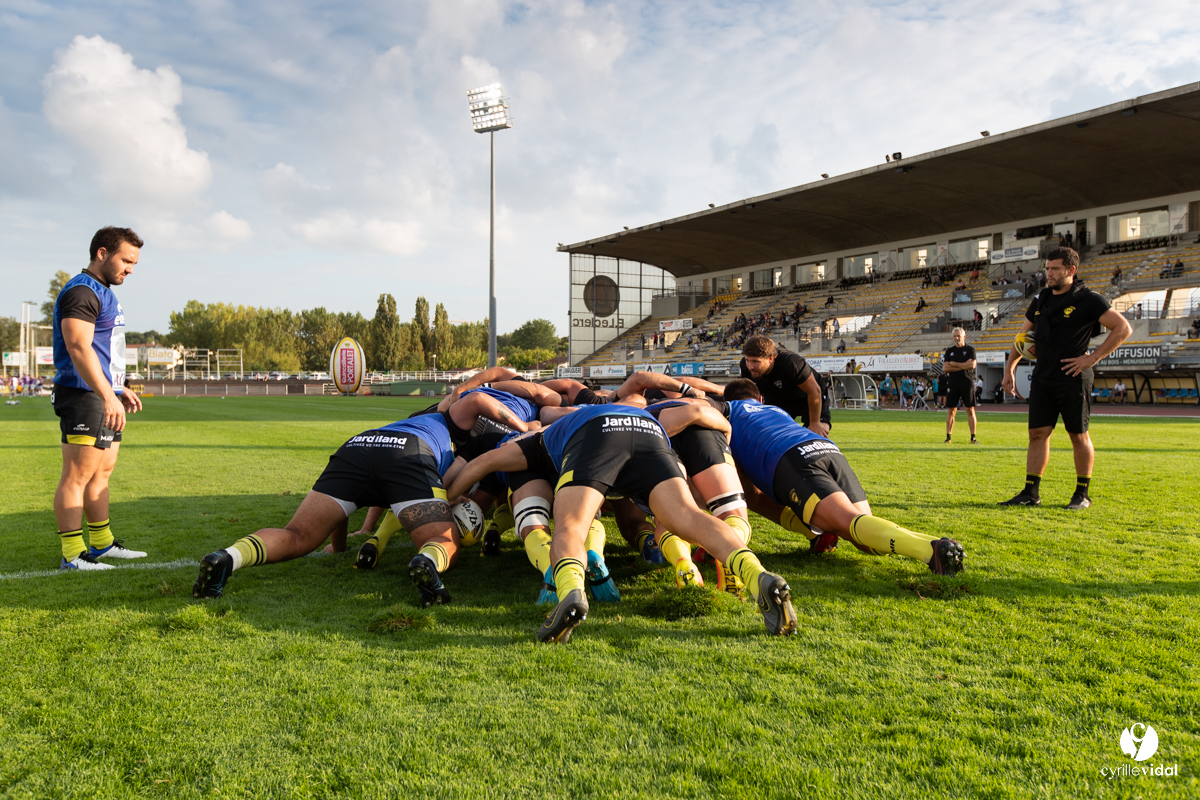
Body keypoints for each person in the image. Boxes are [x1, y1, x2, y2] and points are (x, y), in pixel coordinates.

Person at [442, 403, 799, 641]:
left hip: (594, 439)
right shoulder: (632, 410)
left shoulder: (540, 440)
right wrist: (726, 435)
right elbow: (694, 411)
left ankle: (571, 595)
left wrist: (453, 497)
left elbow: (483, 463)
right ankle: (758, 577)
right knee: (691, 517)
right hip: (650, 433)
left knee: (570, 528)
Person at [194, 413, 468, 608]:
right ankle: (428, 561)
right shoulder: (452, 442)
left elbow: (350, 502)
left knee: (297, 535)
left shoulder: (417, 419)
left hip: (357, 445)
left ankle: (227, 557)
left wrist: (338, 547)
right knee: (443, 540)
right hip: (408, 451)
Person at [720, 379, 963, 574]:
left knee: (847, 523)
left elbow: (750, 495)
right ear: (760, 398)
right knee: (866, 541)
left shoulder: (728, 412)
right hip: (826, 447)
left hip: (790, 457)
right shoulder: (774, 409)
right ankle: (941, 544)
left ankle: (931, 549)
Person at [1000, 247, 1132, 510]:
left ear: (1071, 271)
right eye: (1047, 268)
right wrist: (1009, 369)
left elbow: (1123, 328)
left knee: (1078, 435)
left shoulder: (1089, 299)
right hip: (1042, 378)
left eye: (1054, 269)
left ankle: (1082, 494)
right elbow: (1023, 336)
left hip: (1074, 377)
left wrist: (1091, 358)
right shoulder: (1041, 300)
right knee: (1037, 434)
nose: (1048, 273)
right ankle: (1030, 493)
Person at [51, 226, 148, 570]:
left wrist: (118, 387)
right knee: (77, 475)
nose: (130, 269)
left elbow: (101, 349)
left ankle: (103, 545)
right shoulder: (82, 291)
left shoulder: (104, 292)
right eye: (126, 260)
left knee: (101, 474)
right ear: (102, 253)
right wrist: (106, 393)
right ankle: (73, 554)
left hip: (103, 393)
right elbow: (78, 346)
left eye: (134, 263)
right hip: (83, 395)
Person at [738, 335, 830, 436]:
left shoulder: (791, 362)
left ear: (770, 358)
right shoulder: (745, 366)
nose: (751, 366)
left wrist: (815, 423)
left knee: (816, 434)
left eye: (756, 361)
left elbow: (814, 390)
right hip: (778, 399)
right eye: (747, 360)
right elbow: (744, 393)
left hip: (808, 397)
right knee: (768, 434)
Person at [943, 328, 978, 445]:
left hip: (967, 382)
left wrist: (954, 364)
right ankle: (948, 437)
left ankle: (973, 437)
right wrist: (964, 365)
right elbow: (946, 368)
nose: (956, 338)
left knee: (970, 409)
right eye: (954, 336)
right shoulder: (949, 351)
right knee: (951, 410)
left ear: (964, 336)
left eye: (958, 336)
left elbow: (972, 365)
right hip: (953, 382)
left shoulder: (970, 350)